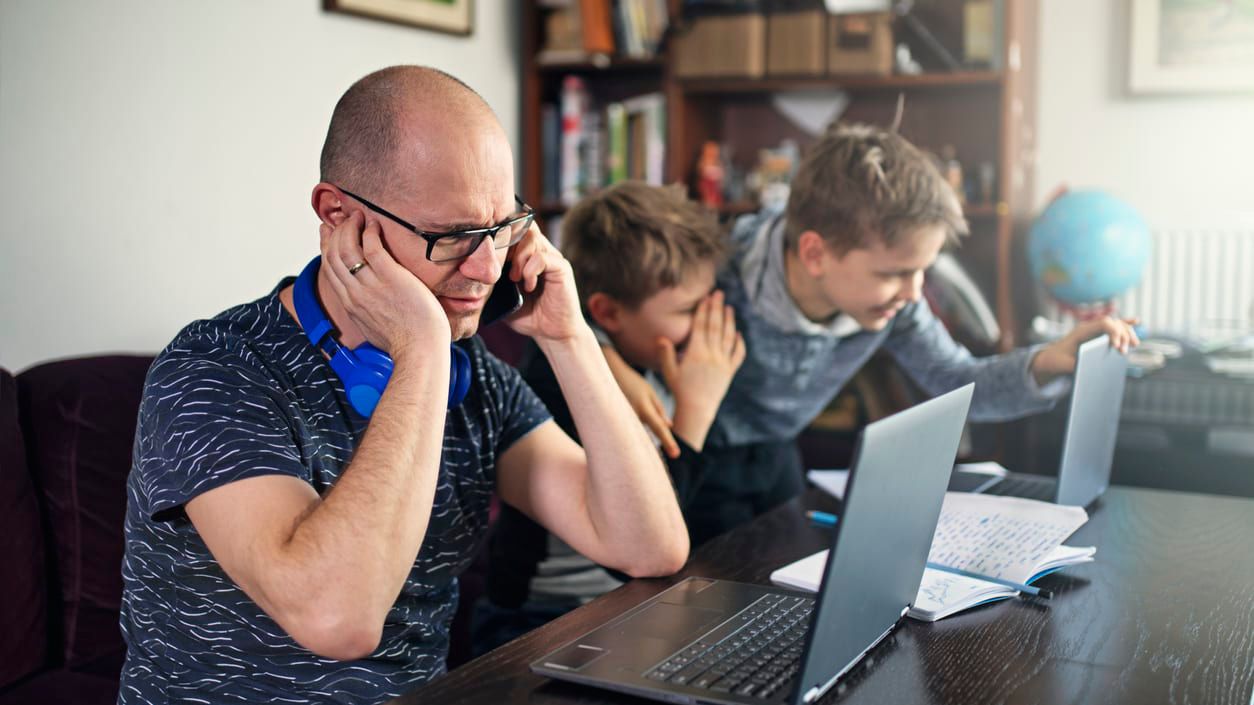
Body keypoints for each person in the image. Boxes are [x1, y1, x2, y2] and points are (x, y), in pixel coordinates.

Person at [116, 66, 688, 705]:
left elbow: (649, 547)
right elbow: (338, 618)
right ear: (338, 214)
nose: (486, 267)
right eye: (452, 237)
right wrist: (420, 348)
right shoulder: (212, 370)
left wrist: (568, 336)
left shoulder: (480, 385)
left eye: (502, 228)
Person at [609, 122, 1139, 539]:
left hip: (777, 456)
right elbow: (595, 303)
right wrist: (613, 365)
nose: (913, 293)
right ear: (815, 253)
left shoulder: (895, 307)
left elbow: (955, 378)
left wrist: (1047, 361)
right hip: (692, 460)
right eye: (893, 273)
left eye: (922, 270)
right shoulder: (718, 269)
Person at [474, 182, 744, 653]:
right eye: (686, 310)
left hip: (630, 602)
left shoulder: (655, 360)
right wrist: (696, 411)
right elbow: (647, 535)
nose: (704, 326)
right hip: (542, 618)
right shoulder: (561, 380)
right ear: (607, 313)